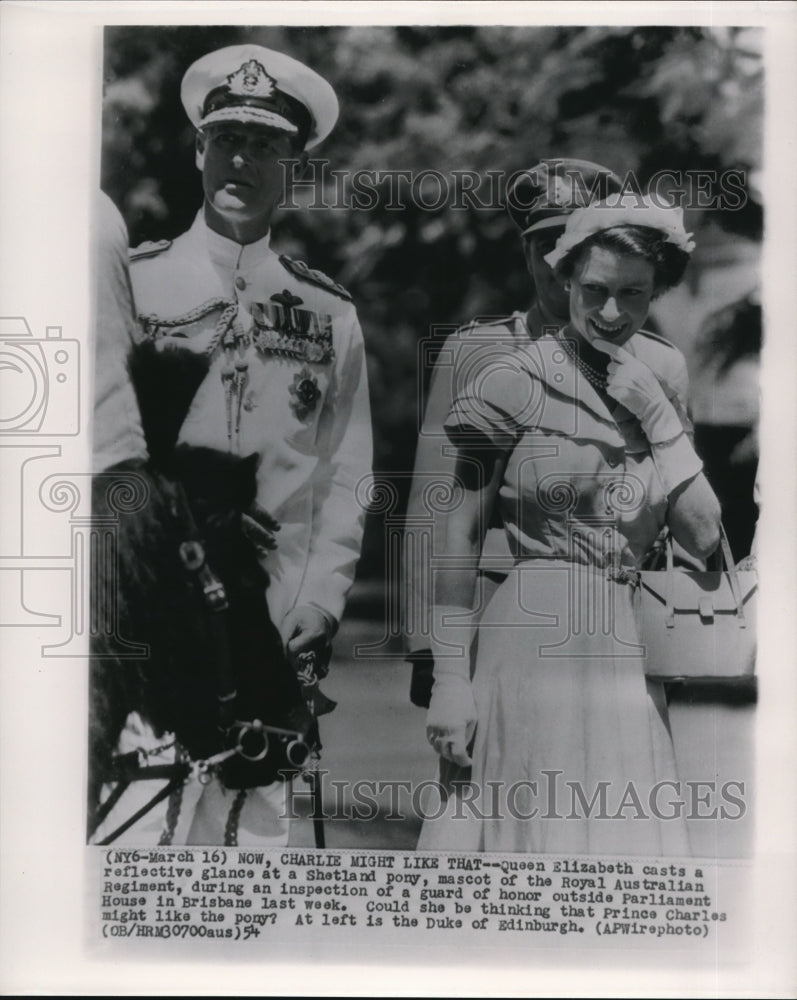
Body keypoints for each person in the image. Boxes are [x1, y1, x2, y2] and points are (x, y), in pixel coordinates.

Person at [91, 44, 372, 846]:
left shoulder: (327, 314)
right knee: (135, 842)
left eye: (265, 146)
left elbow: (345, 477)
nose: (241, 159)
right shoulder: (137, 281)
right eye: (226, 140)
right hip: (157, 611)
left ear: (293, 167)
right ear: (198, 152)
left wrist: (318, 599)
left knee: (252, 856)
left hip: (271, 622)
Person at [418, 193, 721, 855]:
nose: (611, 313)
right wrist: (447, 682)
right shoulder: (509, 378)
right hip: (527, 637)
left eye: (633, 295)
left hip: (626, 641)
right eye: (594, 290)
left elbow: (704, 543)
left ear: (657, 292)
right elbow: (458, 535)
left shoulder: (663, 372)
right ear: (564, 279)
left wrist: (659, 418)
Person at [403, 159, 622, 707]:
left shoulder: (641, 360)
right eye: (546, 243)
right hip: (492, 615)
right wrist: (428, 647)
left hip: (614, 620)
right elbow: (433, 504)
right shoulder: (475, 352)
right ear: (527, 255)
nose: (560, 263)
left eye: (577, 242)